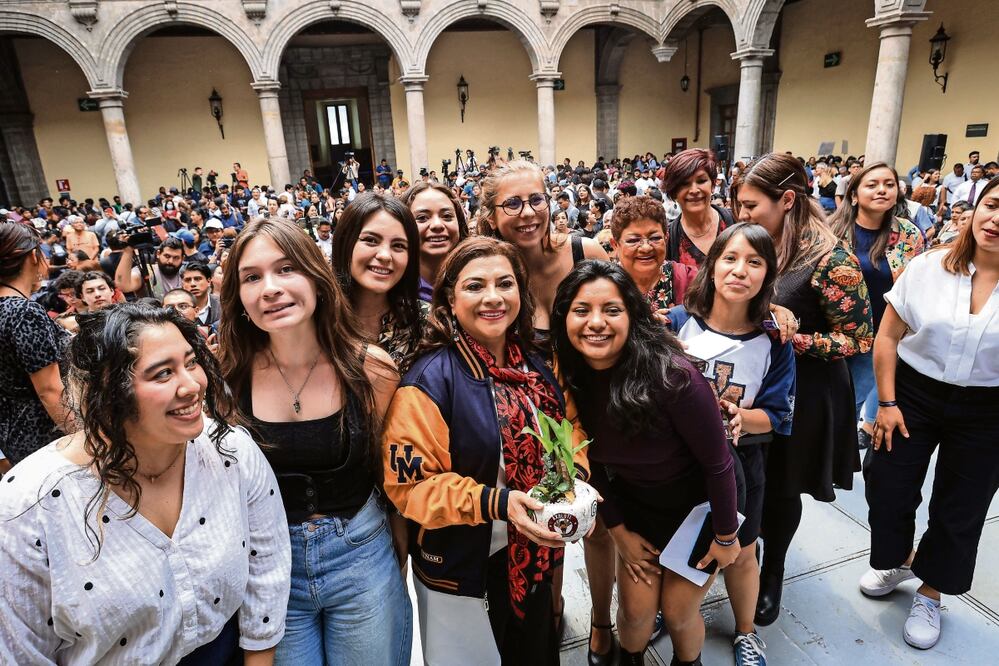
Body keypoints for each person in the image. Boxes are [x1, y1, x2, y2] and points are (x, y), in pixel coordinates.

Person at [0, 303, 291, 663]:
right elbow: (20, 651)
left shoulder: (231, 451)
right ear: (106, 392)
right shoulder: (28, 503)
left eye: (191, 362)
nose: (191, 385)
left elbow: (267, 569)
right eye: (162, 374)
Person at [382, 237, 588, 665]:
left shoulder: (536, 364)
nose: (493, 297)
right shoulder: (429, 382)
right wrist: (499, 503)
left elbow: (568, 428)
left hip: (532, 552)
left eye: (505, 284)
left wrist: (576, 482)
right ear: (449, 300)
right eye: (475, 286)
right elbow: (411, 488)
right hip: (461, 565)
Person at [217, 218, 411, 665]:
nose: (270, 288)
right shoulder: (226, 379)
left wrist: (398, 559)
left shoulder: (372, 370)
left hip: (361, 556)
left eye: (286, 269)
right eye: (252, 277)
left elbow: (389, 480)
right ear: (239, 298)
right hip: (270, 570)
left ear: (317, 279)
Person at [551, 260, 740, 666]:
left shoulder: (673, 377)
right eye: (582, 310)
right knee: (635, 612)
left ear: (633, 315)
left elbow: (719, 464)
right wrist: (617, 530)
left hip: (701, 509)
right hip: (637, 507)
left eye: (612, 310)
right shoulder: (570, 381)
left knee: (677, 610)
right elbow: (593, 463)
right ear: (563, 317)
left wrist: (726, 536)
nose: (596, 323)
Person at [735, 153, 874, 627]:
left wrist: (793, 338)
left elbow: (858, 338)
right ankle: (744, 558)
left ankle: (771, 572)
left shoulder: (831, 259)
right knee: (748, 477)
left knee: (781, 485)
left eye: (751, 205)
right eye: (738, 204)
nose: (742, 214)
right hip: (756, 382)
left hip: (808, 392)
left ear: (787, 200)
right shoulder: (754, 244)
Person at [861, 174, 999, 650]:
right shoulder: (930, 266)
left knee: (962, 505)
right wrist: (886, 401)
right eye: (993, 205)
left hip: (988, 406)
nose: (997, 220)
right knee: (886, 480)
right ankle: (900, 557)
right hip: (913, 393)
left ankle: (931, 589)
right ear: (976, 209)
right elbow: (887, 336)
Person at [668, 224, 796, 666]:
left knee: (741, 553)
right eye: (730, 258)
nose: (740, 270)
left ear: (768, 274)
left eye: (755, 262)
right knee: (678, 544)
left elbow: (778, 414)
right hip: (679, 463)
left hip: (742, 462)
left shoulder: (773, 340)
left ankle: (745, 632)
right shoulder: (677, 324)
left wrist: (744, 417)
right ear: (712, 264)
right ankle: (676, 608)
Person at [827, 162, 924, 450]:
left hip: (881, 333)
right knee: (827, 397)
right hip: (833, 331)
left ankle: (838, 454)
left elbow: (917, 283)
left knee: (853, 396)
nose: (882, 190)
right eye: (872, 184)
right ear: (854, 195)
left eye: (889, 184)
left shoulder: (909, 235)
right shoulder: (831, 230)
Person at [0, 223, 73, 469]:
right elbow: (50, 390)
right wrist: (84, 439)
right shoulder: (24, 312)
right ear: (33, 256)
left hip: (12, 431)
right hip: (46, 434)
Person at [331, 192, 426, 374]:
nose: (384, 255)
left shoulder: (423, 322)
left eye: (398, 245)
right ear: (345, 243)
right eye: (370, 240)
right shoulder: (318, 319)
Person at [610, 195, 698, 321]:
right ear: (615, 245)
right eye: (633, 240)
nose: (646, 248)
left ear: (666, 238)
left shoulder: (690, 280)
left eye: (655, 238)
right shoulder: (603, 285)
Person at [663, 149, 736, 269]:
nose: (694, 190)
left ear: (712, 185)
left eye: (701, 181)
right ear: (674, 191)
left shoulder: (737, 221)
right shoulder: (668, 240)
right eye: (684, 184)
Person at [400, 181, 469, 302]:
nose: (437, 225)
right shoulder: (390, 292)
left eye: (447, 216)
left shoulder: (479, 280)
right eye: (422, 218)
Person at [115, 237, 185, 299]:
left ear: (183, 258)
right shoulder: (146, 271)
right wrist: (128, 251)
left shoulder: (187, 274)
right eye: (167, 256)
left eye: (176, 258)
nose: (170, 261)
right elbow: (123, 285)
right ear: (158, 254)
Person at [181, 263, 221, 327]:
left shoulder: (223, 305)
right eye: (188, 280)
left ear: (209, 281)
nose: (193, 284)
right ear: (182, 284)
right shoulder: (177, 308)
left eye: (197, 279)